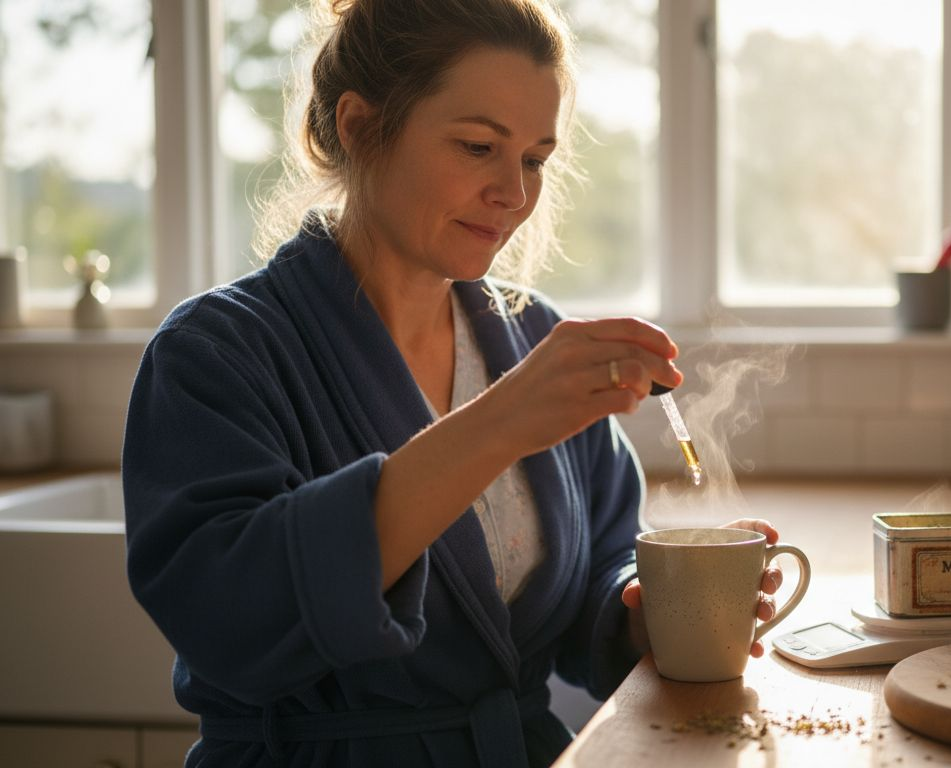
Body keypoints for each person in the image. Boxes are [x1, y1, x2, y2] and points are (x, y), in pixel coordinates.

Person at [121, 1, 782, 766]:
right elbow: (230, 617)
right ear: (363, 127)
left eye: (535, 159)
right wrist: (500, 422)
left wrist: (652, 615)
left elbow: (598, 572)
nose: (515, 193)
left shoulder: (531, 337)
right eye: (478, 147)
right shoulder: (217, 352)